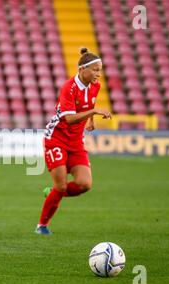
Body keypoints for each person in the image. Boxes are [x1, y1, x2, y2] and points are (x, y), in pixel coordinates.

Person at [35, 48, 112, 235]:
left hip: (76, 141)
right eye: (95, 70)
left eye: (100, 70)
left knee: (84, 184)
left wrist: (91, 120)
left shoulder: (95, 85)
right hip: (57, 138)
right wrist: (93, 113)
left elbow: (90, 103)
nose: (98, 74)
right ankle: (42, 226)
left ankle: (53, 192)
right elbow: (69, 119)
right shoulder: (68, 88)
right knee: (61, 185)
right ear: (81, 70)